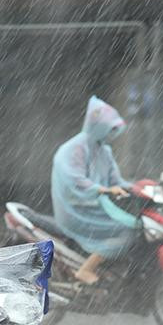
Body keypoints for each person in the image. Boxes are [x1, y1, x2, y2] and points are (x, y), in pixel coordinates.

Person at [51, 95, 137, 285]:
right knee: (125, 231)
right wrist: (104, 190)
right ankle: (86, 269)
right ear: (98, 126)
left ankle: (110, 270)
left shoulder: (104, 151)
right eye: (110, 129)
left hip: (96, 205)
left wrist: (138, 187)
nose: (112, 134)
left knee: (135, 226)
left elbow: (116, 181)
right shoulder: (76, 148)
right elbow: (75, 180)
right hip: (75, 208)